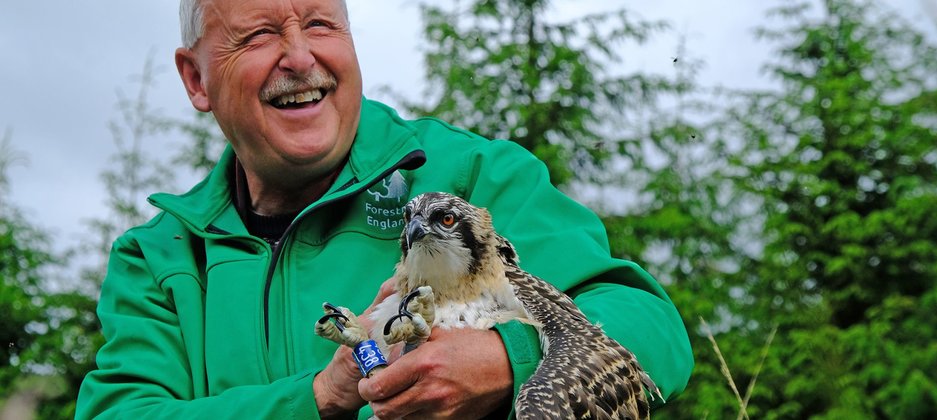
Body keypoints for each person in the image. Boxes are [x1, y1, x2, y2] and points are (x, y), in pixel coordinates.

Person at [75, 0, 694, 418]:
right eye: (259, 34)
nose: (298, 57)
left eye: (320, 24)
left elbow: (651, 329)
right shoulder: (162, 256)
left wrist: (510, 362)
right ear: (196, 80)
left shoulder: (470, 178)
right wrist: (320, 395)